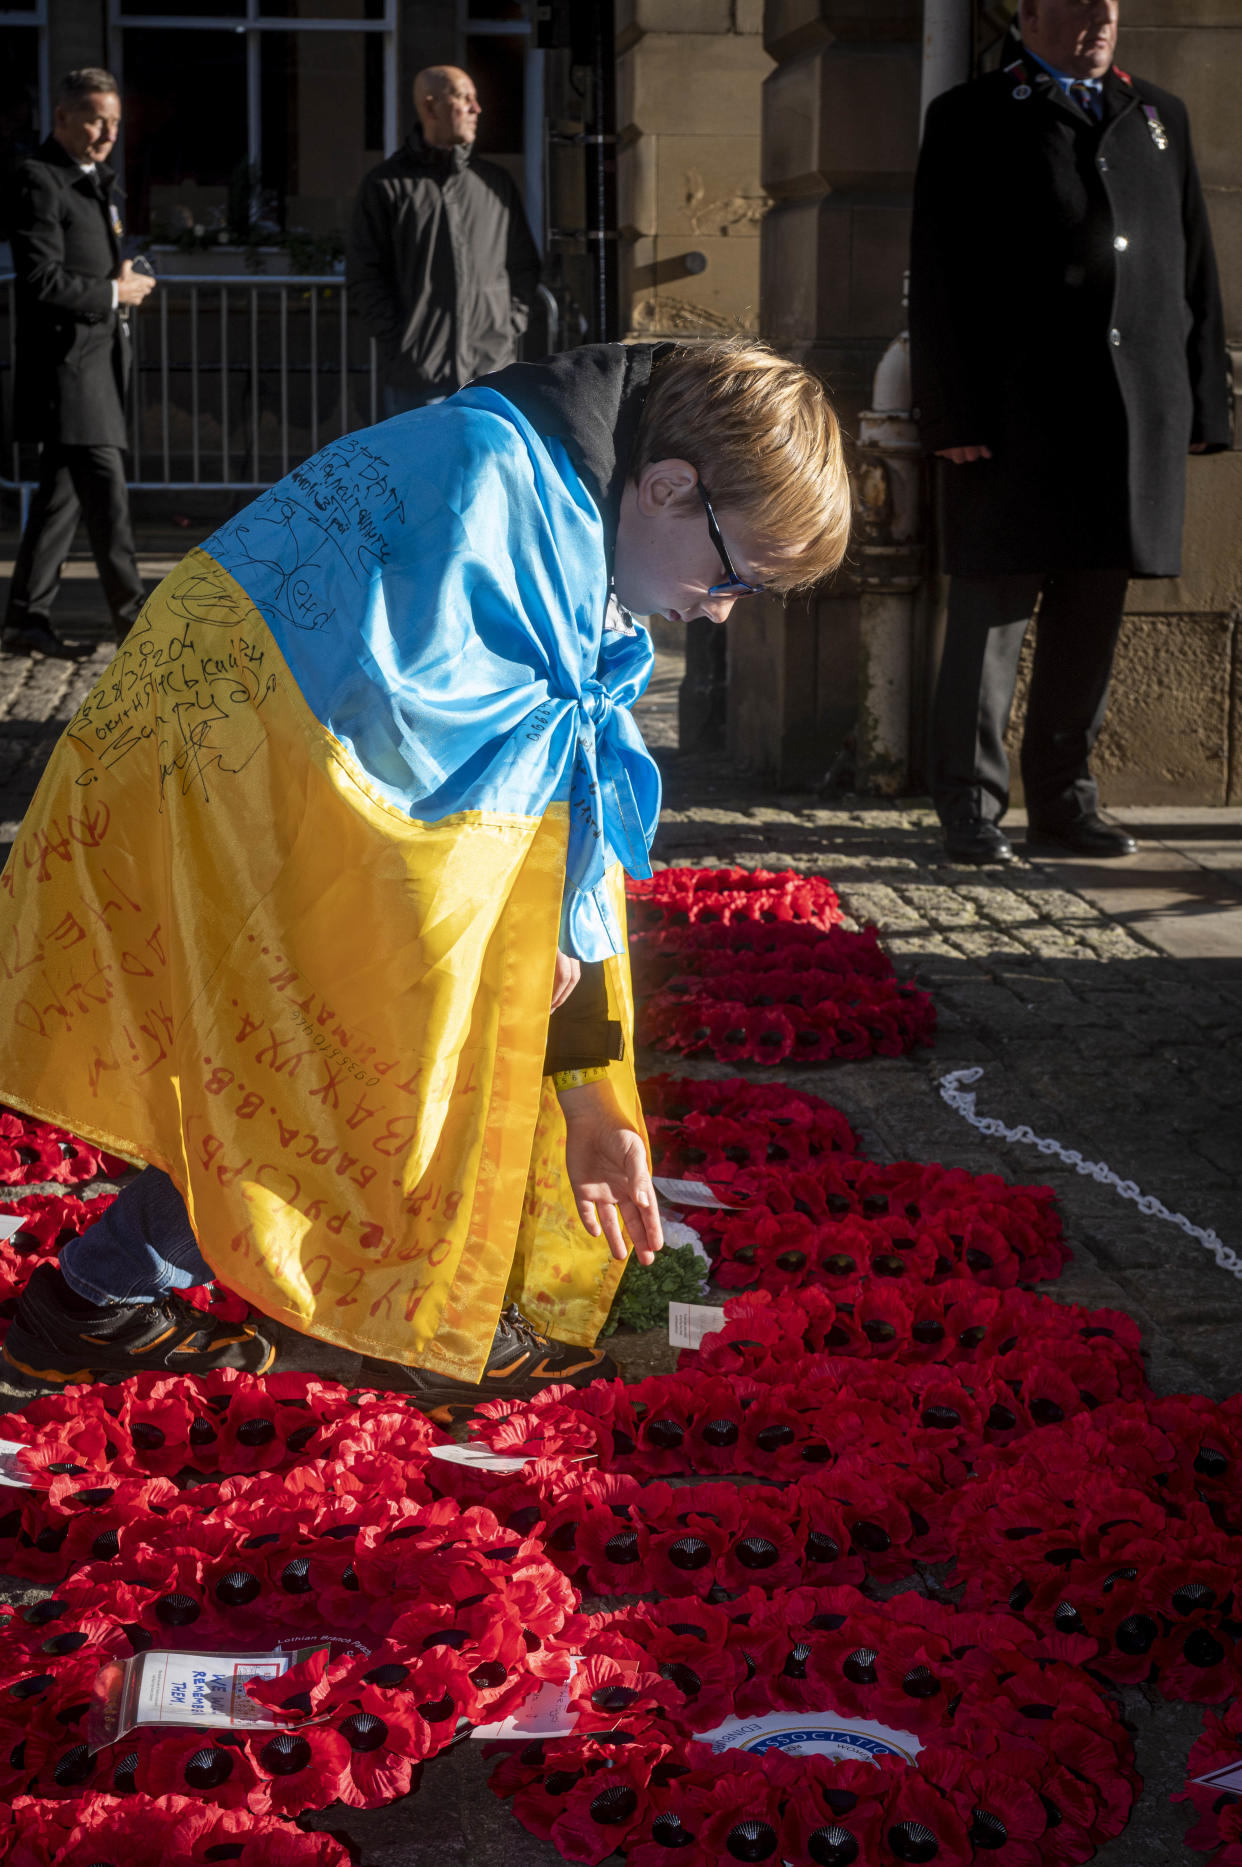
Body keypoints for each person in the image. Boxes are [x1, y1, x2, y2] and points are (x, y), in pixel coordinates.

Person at [0, 337, 851, 1420]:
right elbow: (442, 799)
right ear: (669, 486)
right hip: (235, 763)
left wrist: (591, 1089)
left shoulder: (564, 510)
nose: (726, 608)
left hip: (269, 752)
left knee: (347, 1033)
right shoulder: (495, 489)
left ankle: (114, 1298)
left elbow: (552, 801)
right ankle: (374, 1312)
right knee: (384, 1028)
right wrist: (518, 954)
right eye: (733, 573)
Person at [909, 0, 1230, 866]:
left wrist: (1203, 405)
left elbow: (1193, 263)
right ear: (1027, 14)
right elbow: (936, 276)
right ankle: (970, 809)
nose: (1096, 19)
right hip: (1011, 422)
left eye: (1107, 5)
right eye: (1075, 4)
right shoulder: (972, 115)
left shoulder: (1157, 113)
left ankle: (1064, 801)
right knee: (989, 623)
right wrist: (952, 412)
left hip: (1129, 420)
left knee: (1091, 620)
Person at [2, 68, 156, 660]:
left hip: (97, 360)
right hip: (70, 367)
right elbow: (40, 279)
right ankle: (136, 624)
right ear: (61, 117)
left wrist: (126, 281)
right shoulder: (39, 181)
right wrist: (115, 294)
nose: (107, 132)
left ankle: (26, 619)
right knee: (106, 497)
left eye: (114, 122)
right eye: (95, 119)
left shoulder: (95, 182)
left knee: (59, 501)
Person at [347, 64, 540, 419]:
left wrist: (507, 326)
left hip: (492, 374)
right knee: (420, 474)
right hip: (419, 380)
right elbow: (365, 275)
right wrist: (402, 345)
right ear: (431, 106)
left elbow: (523, 266)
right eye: (464, 98)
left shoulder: (494, 183)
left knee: (489, 473)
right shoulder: (386, 185)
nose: (475, 109)